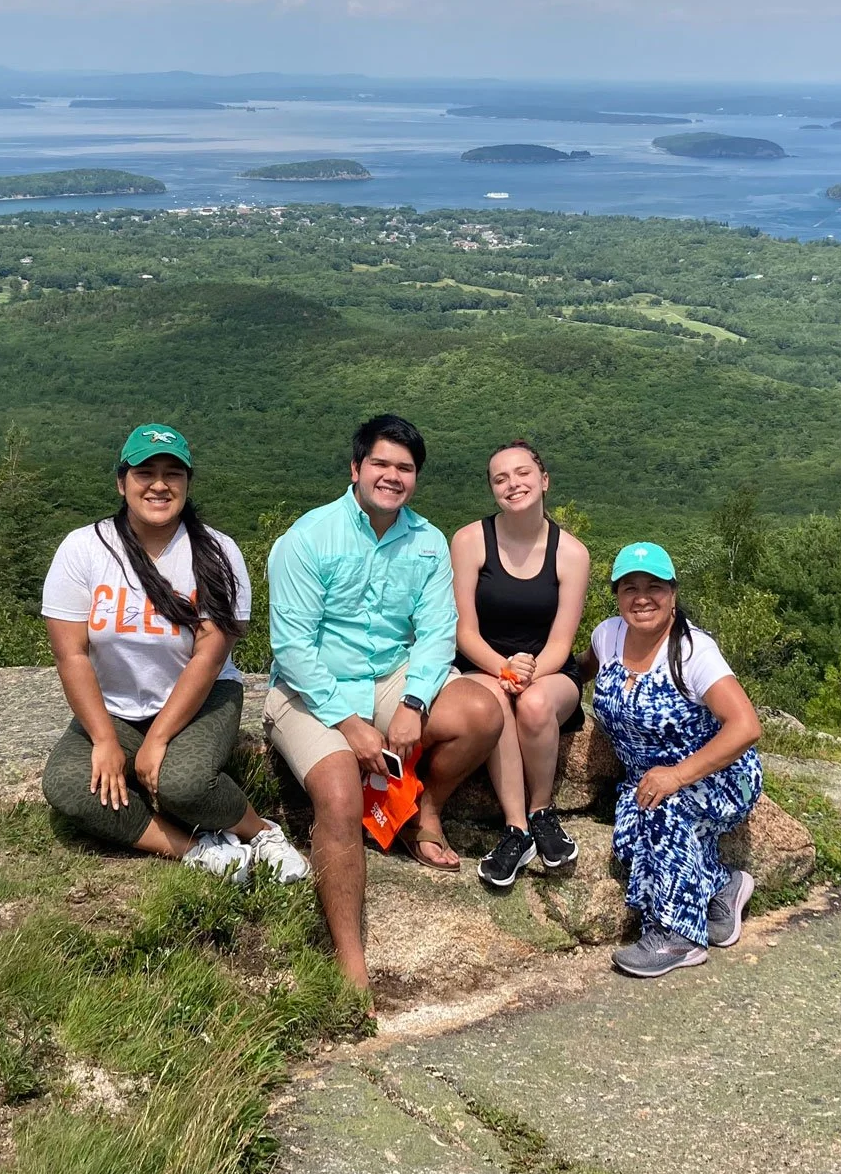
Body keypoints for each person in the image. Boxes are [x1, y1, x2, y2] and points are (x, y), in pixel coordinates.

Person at [264, 414, 506, 993]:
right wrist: (350, 725)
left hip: (390, 675)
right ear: (356, 468)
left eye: (405, 467)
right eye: (381, 463)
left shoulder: (426, 542)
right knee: (339, 794)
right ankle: (351, 963)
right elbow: (293, 650)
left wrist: (414, 703)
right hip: (311, 689)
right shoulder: (308, 538)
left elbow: (437, 631)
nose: (393, 476)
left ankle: (423, 811)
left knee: (481, 712)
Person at [41, 423, 310, 885]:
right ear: (121, 482)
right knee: (68, 784)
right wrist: (104, 740)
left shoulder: (217, 552)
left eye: (173, 474)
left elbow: (209, 656)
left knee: (182, 783)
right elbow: (72, 655)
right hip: (117, 707)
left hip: (202, 699)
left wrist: (159, 738)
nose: (159, 485)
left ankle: (260, 832)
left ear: (187, 483)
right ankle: (194, 848)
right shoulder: (84, 549)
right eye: (145, 473)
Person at [579, 541, 765, 979]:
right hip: (647, 777)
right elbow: (578, 670)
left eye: (654, 587)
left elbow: (745, 726)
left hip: (720, 774)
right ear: (617, 595)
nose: (642, 597)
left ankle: (678, 937)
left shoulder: (693, 651)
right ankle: (723, 886)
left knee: (662, 814)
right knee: (631, 839)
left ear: (673, 594)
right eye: (630, 587)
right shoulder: (608, 636)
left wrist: (678, 776)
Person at [449, 441, 593, 888]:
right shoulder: (470, 541)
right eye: (501, 478)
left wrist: (528, 673)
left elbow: (561, 642)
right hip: (482, 663)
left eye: (523, 473)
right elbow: (464, 631)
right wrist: (505, 670)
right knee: (494, 701)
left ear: (544, 480)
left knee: (533, 705)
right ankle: (517, 829)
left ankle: (542, 810)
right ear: (493, 490)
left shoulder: (572, 554)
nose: (513, 484)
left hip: (548, 670)